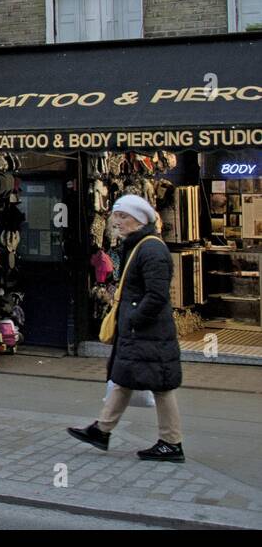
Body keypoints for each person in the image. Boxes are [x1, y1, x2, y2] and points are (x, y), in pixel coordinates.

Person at [69, 194, 185, 461]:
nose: (116, 222)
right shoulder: (139, 246)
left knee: (161, 386)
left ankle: (171, 442)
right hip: (141, 331)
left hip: (149, 332)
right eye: (116, 216)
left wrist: (134, 319)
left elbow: (157, 295)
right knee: (123, 378)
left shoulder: (151, 249)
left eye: (123, 217)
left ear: (139, 220)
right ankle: (102, 430)